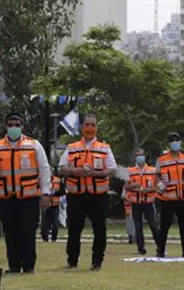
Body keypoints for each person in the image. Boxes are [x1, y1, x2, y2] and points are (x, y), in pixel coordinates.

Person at [0, 113, 51, 274]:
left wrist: (46, 192)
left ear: (22, 126)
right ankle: (13, 265)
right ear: (5, 126)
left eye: (17, 124)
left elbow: (45, 169)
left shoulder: (34, 145)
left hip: (28, 197)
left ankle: (29, 266)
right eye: (11, 124)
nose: (14, 127)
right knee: (10, 233)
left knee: (28, 232)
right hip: (5, 198)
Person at [58, 114, 116, 270]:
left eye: (93, 125)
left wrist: (96, 174)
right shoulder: (71, 147)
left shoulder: (104, 148)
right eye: (87, 124)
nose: (90, 128)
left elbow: (112, 170)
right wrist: (74, 171)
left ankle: (97, 262)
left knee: (99, 229)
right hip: (76, 195)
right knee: (74, 229)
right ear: (82, 127)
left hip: (98, 196)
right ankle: (72, 261)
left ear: (97, 128)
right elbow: (61, 168)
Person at [156, 132, 184, 258]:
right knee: (164, 226)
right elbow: (156, 177)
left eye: (177, 140)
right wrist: (161, 188)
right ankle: (160, 251)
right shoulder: (161, 159)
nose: (175, 142)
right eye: (172, 140)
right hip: (167, 198)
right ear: (168, 144)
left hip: (183, 198)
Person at [124, 148, 160, 255]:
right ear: (135, 158)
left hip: (149, 202)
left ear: (145, 156)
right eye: (137, 155)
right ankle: (141, 249)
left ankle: (160, 246)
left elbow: (160, 186)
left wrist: (148, 190)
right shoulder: (130, 171)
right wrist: (135, 187)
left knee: (153, 225)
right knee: (138, 227)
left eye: (141, 155)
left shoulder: (153, 171)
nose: (139, 157)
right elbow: (126, 187)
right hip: (136, 203)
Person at [41, 173, 63, 242]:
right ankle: (45, 239)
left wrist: (55, 193)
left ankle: (54, 239)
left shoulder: (58, 180)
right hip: (45, 205)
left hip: (55, 205)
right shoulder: (42, 180)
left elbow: (63, 191)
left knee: (55, 223)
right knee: (45, 223)